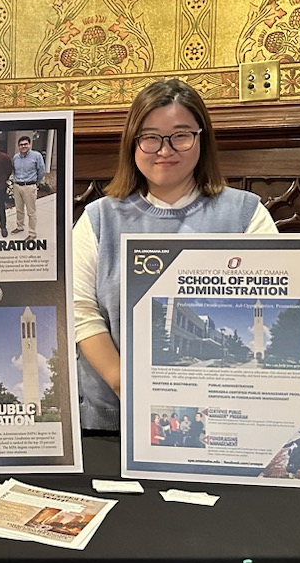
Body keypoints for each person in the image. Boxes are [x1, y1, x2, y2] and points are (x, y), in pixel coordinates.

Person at [73, 78, 277, 431]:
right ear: (133, 144)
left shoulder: (246, 215)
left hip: (223, 425)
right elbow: (79, 311)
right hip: (110, 423)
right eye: (150, 137)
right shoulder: (99, 219)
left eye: (180, 135)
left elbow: (273, 303)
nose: (164, 150)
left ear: (202, 139)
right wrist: (126, 385)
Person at [11, 134, 45, 239]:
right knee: (19, 209)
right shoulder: (16, 157)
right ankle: (20, 226)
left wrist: (35, 183)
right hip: (17, 186)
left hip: (29, 187)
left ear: (29, 144)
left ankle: (32, 233)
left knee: (31, 212)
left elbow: (41, 171)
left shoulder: (36, 156)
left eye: (26, 144)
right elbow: (13, 170)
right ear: (18, 146)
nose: (23, 146)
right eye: (21, 145)